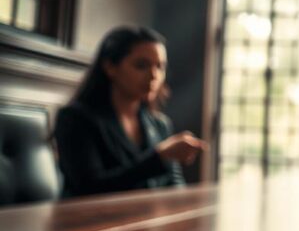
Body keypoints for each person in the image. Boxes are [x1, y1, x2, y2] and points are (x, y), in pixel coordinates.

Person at [54, 26, 207, 198]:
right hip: (88, 222)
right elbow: (90, 188)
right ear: (110, 67)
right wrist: (159, 157)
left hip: (145, 220)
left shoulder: (159, 124)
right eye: (142, 65)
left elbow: (175, 185)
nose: (154, 75)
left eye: (160, 66)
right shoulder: (76, 118)